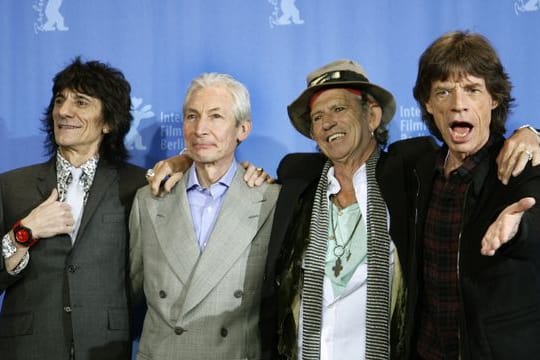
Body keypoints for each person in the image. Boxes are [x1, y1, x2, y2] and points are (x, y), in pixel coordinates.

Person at [147, 60, 540, 360]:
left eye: (339, 110)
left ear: (371, 116)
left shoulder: (411, 168)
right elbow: (218, 160)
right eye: (317, 117)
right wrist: (183, 160)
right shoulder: (296, 174)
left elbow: (476, 144)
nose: (327, 123)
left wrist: (531, 134)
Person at [400, 30, 540, 359]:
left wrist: (520, 229)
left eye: (472, 90)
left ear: (494, 98)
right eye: (444, 92)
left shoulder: (522, 164)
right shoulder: (415, 167)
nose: (458, 104)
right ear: (428, 104)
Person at [0, 58, 146, 359]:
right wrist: (25, 233)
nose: (64, 111)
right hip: (28, 348)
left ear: (108, 122)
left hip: (104, 346)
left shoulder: (138, 185)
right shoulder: (11, 185)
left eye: (81, 102)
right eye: (59, 100)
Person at [129, 72, 280, 359]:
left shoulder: (270, 201)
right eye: (191, 116)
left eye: (216, 117)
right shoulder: (148, 201)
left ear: (243, 129)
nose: (200, 129)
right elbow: (127, 294)